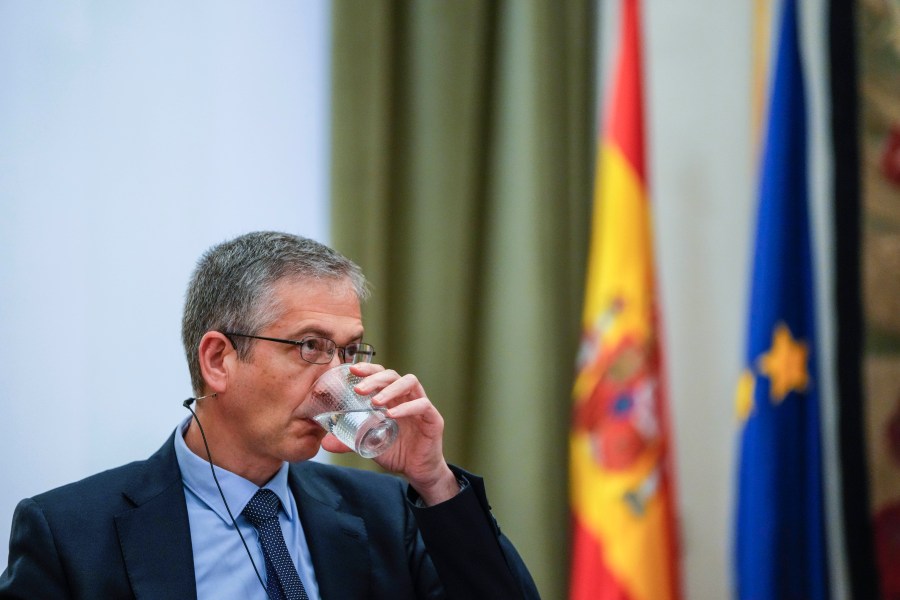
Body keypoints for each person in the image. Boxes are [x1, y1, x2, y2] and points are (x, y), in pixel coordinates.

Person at [0, 231, 540, 599]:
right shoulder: (69, 534)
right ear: (218, 360)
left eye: (348, 351)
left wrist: (434, 479)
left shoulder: (388, 514)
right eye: (309, 346)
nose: (338, 382)